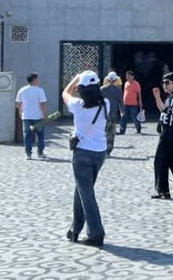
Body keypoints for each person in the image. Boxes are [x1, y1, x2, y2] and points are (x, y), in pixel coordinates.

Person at [61, 70, 110, 247]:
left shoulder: (77, 105)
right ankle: (75, 229)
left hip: (82, 152)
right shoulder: (106, 104)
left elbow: (64, 93)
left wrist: (75, 78)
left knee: (86, 193)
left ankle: (96, 233)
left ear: (80, 89)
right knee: (82, 190)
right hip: (100, 152)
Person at [15, 72, 47, 159]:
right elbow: (42, 104)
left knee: (27, 135)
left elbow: (18, 103)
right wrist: (45, 115)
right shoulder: (40, 90)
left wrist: (20, 112)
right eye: (37, 79)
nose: (38, 80)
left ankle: (28, 154)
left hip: (26, 116)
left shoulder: (22, 90)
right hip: (38, 116)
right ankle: (40, 153)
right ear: (34, 79)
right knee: (40, 135)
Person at [101, 71, 124, 156]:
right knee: (111, 132)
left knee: (103, 131)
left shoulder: (102, 89)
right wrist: (122, 111)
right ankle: (108, 150)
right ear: (115, 80)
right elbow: (120, 102)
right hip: (113, 114)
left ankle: (101, 148)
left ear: (107, 79)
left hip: (103, 114)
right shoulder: (118, 90)